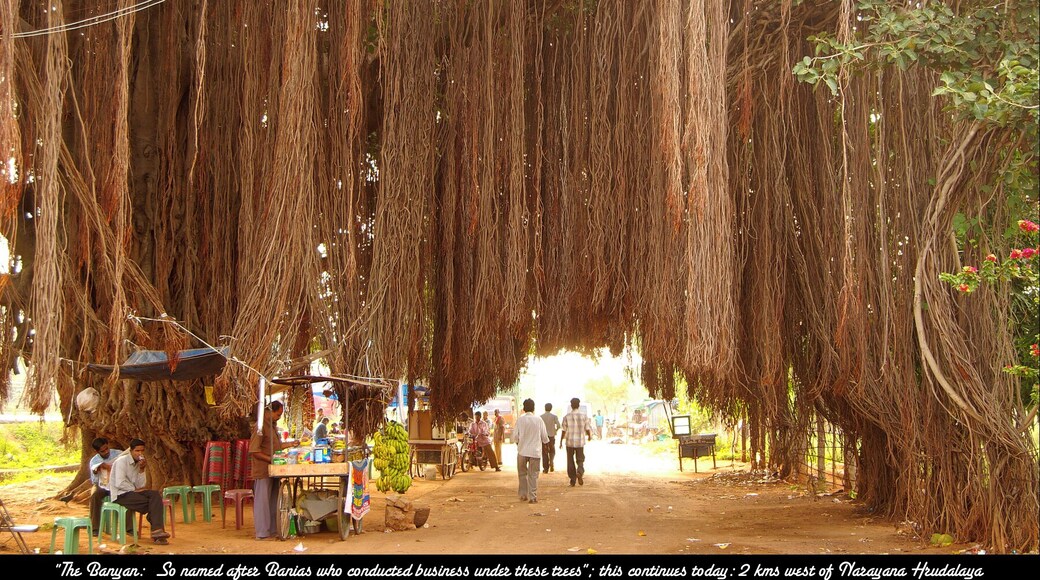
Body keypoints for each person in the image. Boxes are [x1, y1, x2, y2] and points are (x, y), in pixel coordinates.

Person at [109, 438, 171, 544]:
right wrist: (134, 489)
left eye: (142, 451)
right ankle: (157, 532)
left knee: (155, 495)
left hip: (132, 492)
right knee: (154, 505)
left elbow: (140, 485)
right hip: (121, 494)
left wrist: (142, 470)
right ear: (131, 451)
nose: (140, 453)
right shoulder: (121, 462)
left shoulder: (138, 464)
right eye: (137, 451)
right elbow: (119, 483)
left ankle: (157, 531)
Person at [250, 400, 291, 540]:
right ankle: (262, 532)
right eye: (278, 415)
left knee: (274, 499)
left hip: (274, 470)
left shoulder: (272, 426)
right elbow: (254, 451)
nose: (278, 418)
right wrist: (270, 459)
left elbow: (276, 446)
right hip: (263, 469)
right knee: (262, 501)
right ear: (270, 412)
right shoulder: (260, 427)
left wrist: (291, 444)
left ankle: (273, 529)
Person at [514, 398, 548, 503]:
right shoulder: (539, 420)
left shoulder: (520, 420)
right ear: (533, 408)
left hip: (522, 451)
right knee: (533, 475)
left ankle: (523, 495)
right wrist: (546, 446)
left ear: (524, 408)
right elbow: (544, 437)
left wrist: (519, 443)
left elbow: (515, 437)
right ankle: (533, 497)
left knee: (522, 474)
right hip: (535, 452)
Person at [88, 437, 122, 530]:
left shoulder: (118, 454)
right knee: (95, 495)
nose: (106, 452)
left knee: (128, 494)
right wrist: (97, 470)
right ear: (97, 451)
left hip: (117, 484)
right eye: (103, 451)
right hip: (102, 485)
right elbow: (94, 481)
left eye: (107, 448)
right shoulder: (94, 461)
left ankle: (129, 528)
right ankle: (95, 528)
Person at [560, 397, 593, 486]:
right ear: (578, 405)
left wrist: (560, 441)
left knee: (570, 461)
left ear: (571, 406)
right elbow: (587, 428)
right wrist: (589, 436)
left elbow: (563, 430)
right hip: (580, 442)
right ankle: (579, 471)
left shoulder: (566, 417)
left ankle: (573, 480)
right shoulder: (584, 416)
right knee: (580, 459)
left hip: (569, 442)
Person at [540, 403, 561, 474]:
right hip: (551, 436)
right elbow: (558, 425)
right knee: (552, 450)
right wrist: (555, 430)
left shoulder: (541, 417)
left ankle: (545, 468)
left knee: (544, 452)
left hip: (543, 436)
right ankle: (551, 461)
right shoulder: (554, 416)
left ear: (545, 408)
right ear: (551, 408)